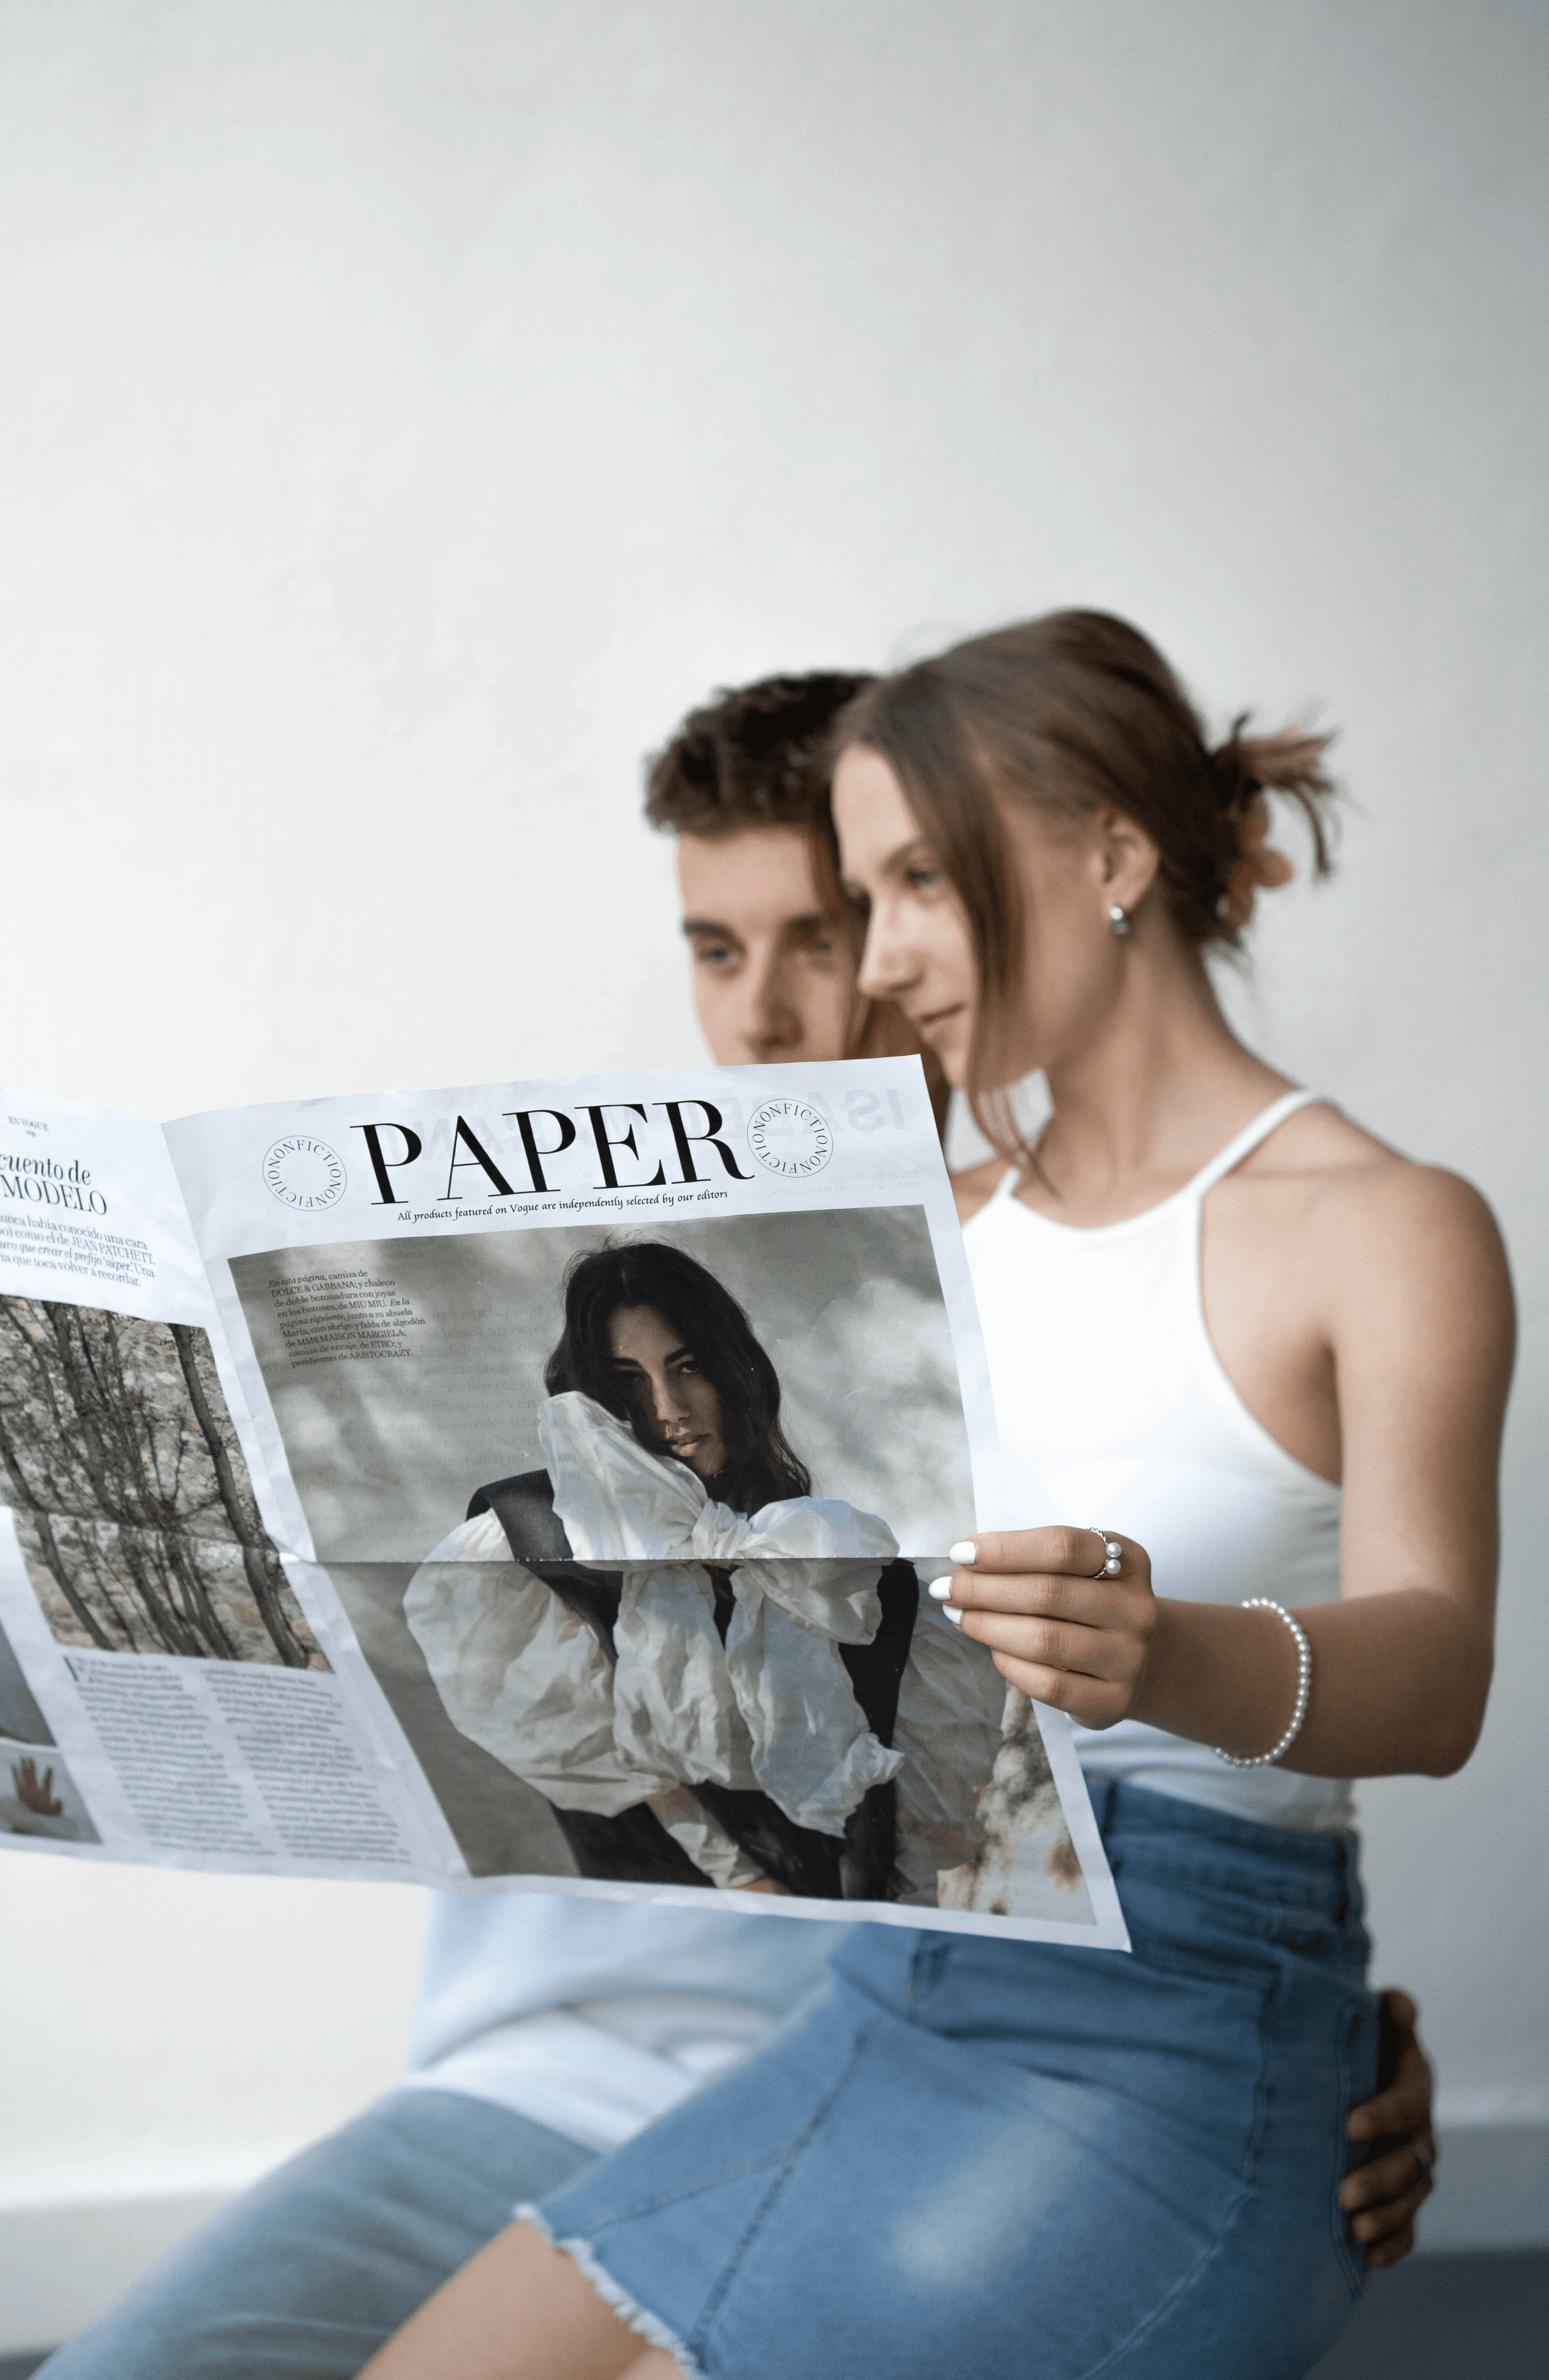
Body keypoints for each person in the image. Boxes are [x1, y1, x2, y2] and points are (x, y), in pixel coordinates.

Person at [37, 667, 1438, 2380]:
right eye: (714, 948)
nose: (765, 1017)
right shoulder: (595, 1265)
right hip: (537, 2087)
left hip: (943, 2067)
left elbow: (1232, 1727)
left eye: (834, 926)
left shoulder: (1086, 1255)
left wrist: (1326, 2033)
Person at [403, 1238, 959, 1902]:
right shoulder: (532, 1539)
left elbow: (902, 1781)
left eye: (687, 1366)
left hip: (849, 1892)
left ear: (735, 1370)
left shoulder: (819, 1544)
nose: (669, 1410)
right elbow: (597, 1753)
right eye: (629, 1380)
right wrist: (743, 1878)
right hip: (681, 1886)